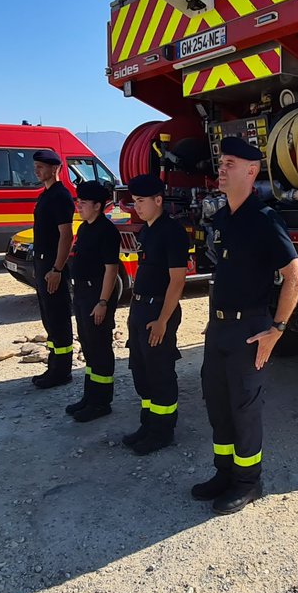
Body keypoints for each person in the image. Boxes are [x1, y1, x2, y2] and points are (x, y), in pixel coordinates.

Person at [192, 137, 298, 515]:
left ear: (252, 171)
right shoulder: (222, 218)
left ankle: (248, 481)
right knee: (218, 405)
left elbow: (294, 278)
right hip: (219, 329)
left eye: (230, 163)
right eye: (221, 162)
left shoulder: (264, 219)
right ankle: (224, 473)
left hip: (250, 330)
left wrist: (277, 330)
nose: (221, 169)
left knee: (244, 409)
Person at [122, 173, 189, 455]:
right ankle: (148, 424)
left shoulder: (171, 232)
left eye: (141, 201)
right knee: (141, 370)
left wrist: (162, 320)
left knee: (160, 372)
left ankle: (163, 431)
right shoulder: (147, 230)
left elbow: (177, 280)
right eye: (134, 201)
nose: (137, 206)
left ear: (158, 200)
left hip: (158, 309)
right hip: (140, 307)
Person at [64, 180, 122, 422]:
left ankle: (101, 402)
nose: (79, 206)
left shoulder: (107, 231)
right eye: (78, 202)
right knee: (88, 346)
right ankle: (90, 396)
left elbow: (111, 270)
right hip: (82, 295)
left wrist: (103, 302)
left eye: (84, 203)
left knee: (99, 349)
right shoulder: (86, 228)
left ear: (98, 205)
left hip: (97, 295)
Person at [30, 149, 75, 389]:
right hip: (43, 263)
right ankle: (53, 366)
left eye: (41, 167)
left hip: (53, 266)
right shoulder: (45, 195)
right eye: (36, 166)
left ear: (55, 168)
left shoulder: (60, 196)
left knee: (58, 318)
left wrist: (57, 269)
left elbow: (65, 236)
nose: (36, 171)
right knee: (48, 318)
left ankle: (62, 371)